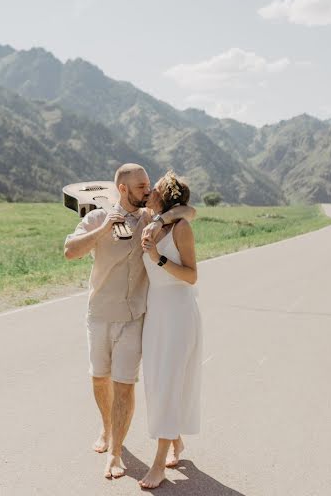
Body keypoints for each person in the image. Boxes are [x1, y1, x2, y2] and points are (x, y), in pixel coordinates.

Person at [63, 163, 196, 479]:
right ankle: (107, 428)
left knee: (124, 386)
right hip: (99, 314)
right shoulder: (96, 217)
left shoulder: (152, 219)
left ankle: (115, 452)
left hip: (135, 317)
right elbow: (69, 251)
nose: (147, 191)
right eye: (141, 186)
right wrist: (103, 229)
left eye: (149, 185)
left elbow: (188, 212)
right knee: (99, 378)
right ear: (121, 188)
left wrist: (162, 217)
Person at [138, 171, 202, 490]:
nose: (148, 193)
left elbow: (192, 276)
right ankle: (175, 441)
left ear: (163, 197)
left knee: (169, 382)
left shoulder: (181, 227)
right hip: (155, 313)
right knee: (155, 383)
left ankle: (159, 463)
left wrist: (158, 258)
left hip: (178, 313)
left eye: (154, 191)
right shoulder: (149, 223)